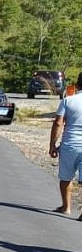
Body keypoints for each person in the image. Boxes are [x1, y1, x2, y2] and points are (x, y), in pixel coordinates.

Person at [48, 77, 82, 217]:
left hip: (70, 144)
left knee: (66, 177)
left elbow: (58, 123)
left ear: (78, 84)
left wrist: (52, 145)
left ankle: (66, 207)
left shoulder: (69, 100)